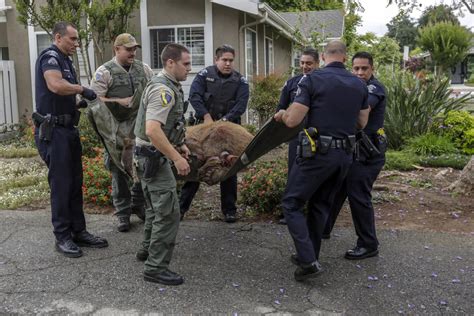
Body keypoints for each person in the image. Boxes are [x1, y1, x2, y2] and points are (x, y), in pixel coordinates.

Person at [274, 40, 369, 281]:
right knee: (320, 205)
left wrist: (283, 113)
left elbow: (293, 120)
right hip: (344, 156)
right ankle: (310, 256)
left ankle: (307, 261)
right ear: (345, 59)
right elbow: (361, 123)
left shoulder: (312, 80)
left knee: (291, 203)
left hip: (318, 154)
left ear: (324, 57)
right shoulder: (358, 84)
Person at [33, 21, 108, 258]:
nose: (77, 43)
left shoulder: (66, 61)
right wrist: (80, 89)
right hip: (53, 132)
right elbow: (55, 85)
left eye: (77, 39)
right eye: (73, 39)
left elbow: (59, 94)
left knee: (75, 183)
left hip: (68, 129)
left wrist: (78, 102)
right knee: (62, 185)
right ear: (58, 38)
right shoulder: (51, 57)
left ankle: (79, 231)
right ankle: (62, 237)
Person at [133, 43, 191, 285]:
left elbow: (167, 126)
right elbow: (153, 130)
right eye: (185, 64)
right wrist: (177, 159)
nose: (190, 68)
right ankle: (155, 268)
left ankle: (146, 250)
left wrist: (180, 145)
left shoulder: (167, 85)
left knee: (154, 208)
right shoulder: (162, 90)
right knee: (168, 212)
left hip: (146, 156)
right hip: (153, 158)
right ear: (170, 63)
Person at [323, 51, 387, 260]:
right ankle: (323, 228)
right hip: (353, 149)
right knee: (337, 188)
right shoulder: (354, 86)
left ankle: (368, 244)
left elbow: (362, 108)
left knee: (358, 195)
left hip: (369, 153)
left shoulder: (373, 88)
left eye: (364, 68)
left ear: (372, 69)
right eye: (356, 68)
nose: (360, 72)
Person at [90, 33, 154, 232]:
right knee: (119, 172)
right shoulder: (104, 72)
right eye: (128, 49)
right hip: (115, 131)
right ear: (116, 49)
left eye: (135, 48)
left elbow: (153, 92)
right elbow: (94, 102)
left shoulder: (144, 69)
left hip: (139, 129)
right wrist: (119, 101)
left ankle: (139, 205)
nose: (132, 52)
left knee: (142, 168)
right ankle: (123, 214)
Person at [179, 44, 249, 223]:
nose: (228, 63)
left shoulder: (241, 81)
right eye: (224, 60)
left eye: (230, 60)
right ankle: (181, 208)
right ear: (216, 60)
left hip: (227, 131)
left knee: (228, 169)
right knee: (195, 165)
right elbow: (194, 96)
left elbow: (241, 105)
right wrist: (206, 116)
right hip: (203, 129)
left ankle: (229, 210)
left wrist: (223, 122)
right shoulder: (204, 76)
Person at [277, 47, 319, 225]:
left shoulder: (323, 82)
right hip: (297, 137)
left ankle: (313, 214)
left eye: (309, 63)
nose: (305, 66)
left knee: (316, 175)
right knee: (294, 174)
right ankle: (290, 212)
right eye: (302, 63)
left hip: (317, 137)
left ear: (317, 63)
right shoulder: (292, 83)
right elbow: (281, 107)